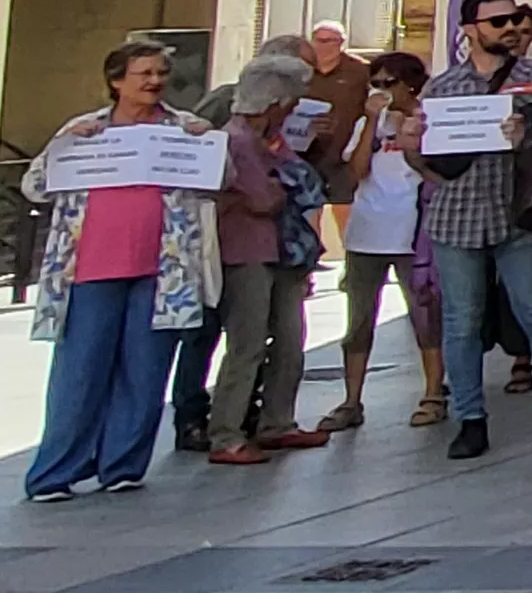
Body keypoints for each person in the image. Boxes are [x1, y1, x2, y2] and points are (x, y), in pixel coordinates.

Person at [21, 39, 223, 501]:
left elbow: (219, 183)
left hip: (162, 273)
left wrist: (206, 144)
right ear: (116, 82)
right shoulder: (84, 127)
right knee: (80, 372)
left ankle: (124, 465)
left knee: (146, 371)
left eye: (159, 74)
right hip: (90, 269)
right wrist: (66, 145)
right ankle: (55, 472)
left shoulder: (183, 128)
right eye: (143, 74)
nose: (154, 82)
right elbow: (34, 186)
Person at [419, 0, 532, 460]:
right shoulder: (443, 88)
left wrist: (529, 136)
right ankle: (470, 418)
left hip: (518, 216)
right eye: (496, 22)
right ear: (470, 31)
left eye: (513, 19)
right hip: (457, 217)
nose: (509, 28)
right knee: (461, 323)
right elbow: (427, 164)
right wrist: (415, 142)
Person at [204, 54, 325, 465]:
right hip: (246, 251)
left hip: (284, 251)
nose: (294, 108)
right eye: (292, 100)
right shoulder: (234, 140)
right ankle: (226, 433)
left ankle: (277, 422)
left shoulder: (269, 141)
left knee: (290, 338)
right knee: (248, 343)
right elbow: (266, 199)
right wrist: (280, 181)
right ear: (275, 101)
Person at [321, 52, 443, 433]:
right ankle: (352, 399)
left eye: (388, 83)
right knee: (358, 319)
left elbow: (433, 170)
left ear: (410, 84)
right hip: (367, 230)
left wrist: (412, 139)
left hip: (413, 231)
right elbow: (356, 172)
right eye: (375, 83)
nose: (381, 90)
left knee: (425, 316)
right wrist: (372, 123)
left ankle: (433, 393)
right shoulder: (367, 123)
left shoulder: (429, 119)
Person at [300, 21, 374, 248]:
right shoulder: (300, 70)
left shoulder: (361, 71)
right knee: (308, 207)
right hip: (305, 152)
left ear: (341, 43)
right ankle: (311, 258)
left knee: (345, 205)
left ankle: (351, 254)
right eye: (317, 40)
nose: (321, 47)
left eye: (328, 41)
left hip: (343, 152)